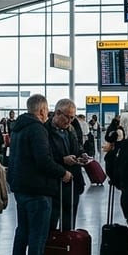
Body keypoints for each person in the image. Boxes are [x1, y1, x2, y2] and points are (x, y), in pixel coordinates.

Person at [8, 94, 71, 255]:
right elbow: (43, 160)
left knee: (22, 234)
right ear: (43, 110)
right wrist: (63, 172)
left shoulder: (18, 128)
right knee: (37, 236)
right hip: (38, 190)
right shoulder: (37, 129)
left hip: (20, 188)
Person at [46, 99, 89, 233]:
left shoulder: (71, 129)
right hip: (53, 185)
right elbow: (44, 157)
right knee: (50, 225)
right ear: (58, 113)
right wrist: (62, 160)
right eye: (68, 117)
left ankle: (67, 252)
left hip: (72, 185)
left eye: (72, 117)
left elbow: (77, 147)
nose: (70, 121)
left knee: (69, 225)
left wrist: (82, 154)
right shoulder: (44, 131)